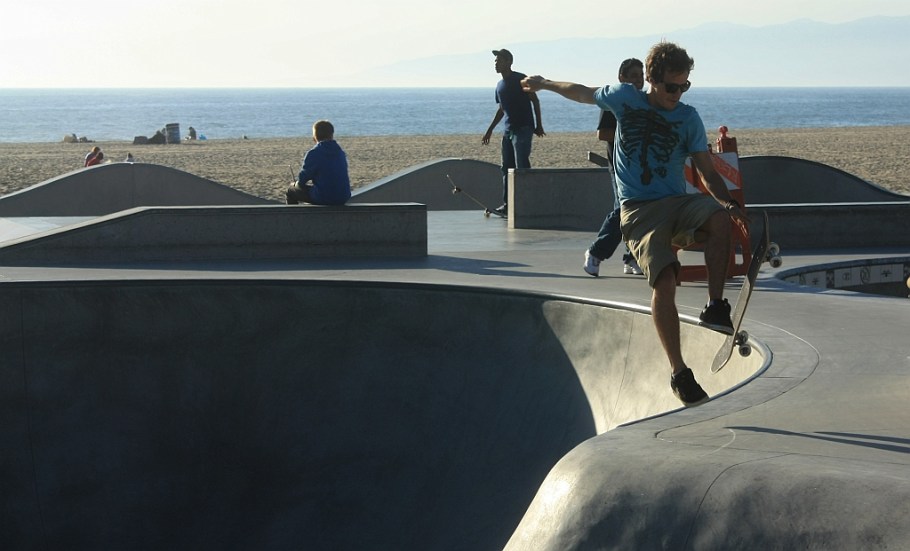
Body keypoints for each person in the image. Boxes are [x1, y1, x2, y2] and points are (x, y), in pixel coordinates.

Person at [521, 41, 749, 407]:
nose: (677, 94)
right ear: (651, 80)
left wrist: (729, 203)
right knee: (665, 280)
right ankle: (679, 373)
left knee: (719, 219)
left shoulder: (688, 118)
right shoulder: (625, 99)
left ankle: (716, 305)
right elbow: (581, 92)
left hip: (677, 203)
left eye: (684, 86)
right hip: (639, 211)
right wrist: (545, 83)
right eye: (671, 87)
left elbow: (707, 172)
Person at [586, 58, 645, 277]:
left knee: (637, 210)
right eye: (634, 76)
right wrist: (630, 132)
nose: (639, 80)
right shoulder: (614, 99)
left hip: (640, 166)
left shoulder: (644, 101)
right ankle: (596, 252)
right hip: (619, 165)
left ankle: (632, 257)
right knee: (623, 209)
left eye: (641, 76)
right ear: (622, 77)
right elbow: (602, 134)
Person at [482, 49, 545, 216]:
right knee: (506, 168)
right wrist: (489, 130)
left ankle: (527, 204)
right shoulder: (499, 85)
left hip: (523, 128)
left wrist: (539, 125)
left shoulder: (520, 79)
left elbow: (535, 101)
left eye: (499, 60)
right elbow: (502, 109)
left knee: (522, 166)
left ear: (509, 62)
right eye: (495, 61)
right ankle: (508, 205)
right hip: (508, 131)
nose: (496, 64)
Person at [286, 120, 351, 206]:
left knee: (290, 191)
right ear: (332, 135)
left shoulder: (314, 153)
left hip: (325, 197)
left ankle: (293, 214)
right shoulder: (340, 152)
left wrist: (296, 184)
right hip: (343, 196)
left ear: (314, 137)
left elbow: (303, 177)